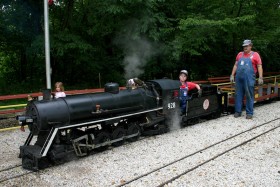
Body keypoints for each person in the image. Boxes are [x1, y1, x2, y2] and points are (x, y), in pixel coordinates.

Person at [230, 39, 263, 119]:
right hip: (239, 79)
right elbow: (236, 65)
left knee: (249, 95)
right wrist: (232, 75)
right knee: (238, 95)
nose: (245, 47)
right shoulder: (239, 54)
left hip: (249, 78)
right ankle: (238, 111)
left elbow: (259, 66)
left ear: (250, 46)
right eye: (244, 46)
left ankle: (249, 113)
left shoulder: (255, 55)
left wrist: (261, 77)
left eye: (247, 46)